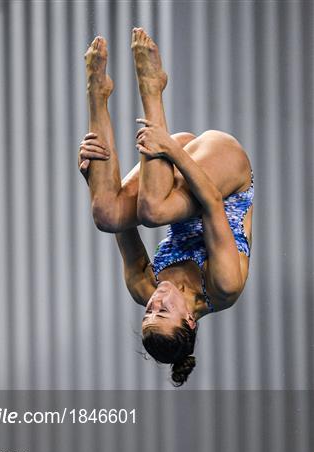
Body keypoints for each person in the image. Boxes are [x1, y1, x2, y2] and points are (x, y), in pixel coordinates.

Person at [78, 28, 254, 386]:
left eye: (148, 311)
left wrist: (93, 181)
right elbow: (212, 204)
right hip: (224, 172)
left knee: (106, 215)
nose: (154, 301)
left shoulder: (145, 286)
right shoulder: (223, 286)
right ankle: (152, 89)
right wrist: (170, 150)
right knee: (155, 211)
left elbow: (120, 227)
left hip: (170, 183)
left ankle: (97, 94)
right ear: (189, 319)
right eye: (163, 311)